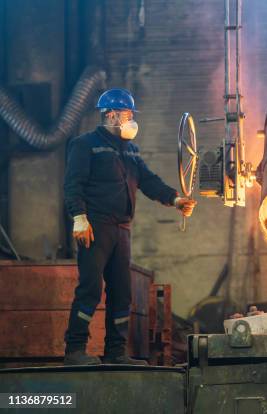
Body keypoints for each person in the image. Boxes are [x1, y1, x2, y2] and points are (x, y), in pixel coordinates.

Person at [63, 88, 196, 365]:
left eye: (131, 114)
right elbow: (73, 184)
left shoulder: (130, 150)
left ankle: (116, 352)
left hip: (121, 229)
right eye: (127, 114)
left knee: (121, 292)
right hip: (95, 227)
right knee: (89, 288)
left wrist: (175, 198)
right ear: (110, 115)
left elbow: (147, 180)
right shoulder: (85, 144)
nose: (131, 118)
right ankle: (75, 351)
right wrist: (79, 217)